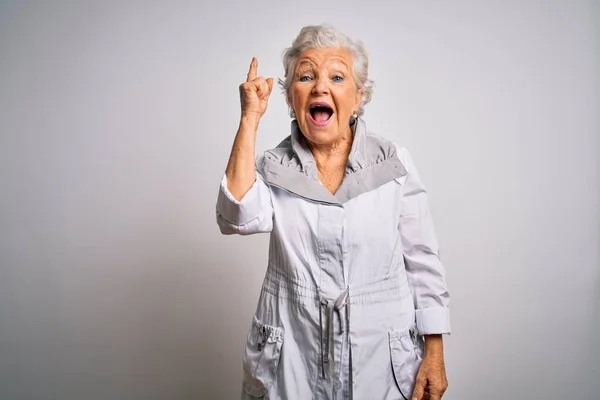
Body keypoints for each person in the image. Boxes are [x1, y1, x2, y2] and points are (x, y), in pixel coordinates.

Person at [216, 24, 451, 400]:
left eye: (337, 77)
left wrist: (435, 350)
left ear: (358, 97)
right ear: (291, 99)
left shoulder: (393, 163)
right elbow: (235, 217)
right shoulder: (273, 166)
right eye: (306, 76)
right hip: (291, 349)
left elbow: (422, 259)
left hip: (381, 353)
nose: (320, 87)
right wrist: (250, 119)